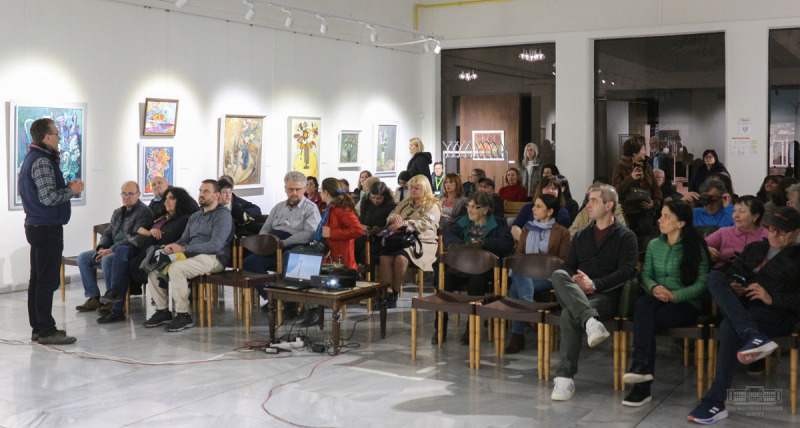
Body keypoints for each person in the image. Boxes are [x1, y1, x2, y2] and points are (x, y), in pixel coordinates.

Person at [688, 207, 800, 424]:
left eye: (781, 232)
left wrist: (771, 298)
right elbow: (734, 272)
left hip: (774, 313)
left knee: (729, 326)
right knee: (714, 278)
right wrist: (735, 285)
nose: (774, 235)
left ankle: (715, 401)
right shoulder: (755, 248)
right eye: (770, 229)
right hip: (740, 304)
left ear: (796, 232)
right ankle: (751, 334)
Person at [550, 184, 638, 401]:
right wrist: (574, 279)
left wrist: (594, 284)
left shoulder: (626, 236)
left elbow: (627, 271)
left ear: (609, 206)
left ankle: (564, 378)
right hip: (578, 293)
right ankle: (591, 322)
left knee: (569, 313)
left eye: (593, 201)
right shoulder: (581, 235)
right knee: (559, 274)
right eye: (588, 200)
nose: (587, 205)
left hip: (606, 295)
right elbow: (569, 266)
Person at [622, 201, 709, 407]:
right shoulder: (654, 245)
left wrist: (674, 296)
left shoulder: (695, 247)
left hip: (685, 304)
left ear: (681, 223)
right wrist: (653, 288)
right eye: (660, 215)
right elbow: (645, 275)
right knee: (643, 304)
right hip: (657, 299)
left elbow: (702, 284)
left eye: (666, 216)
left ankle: (641, 382)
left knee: (645, 322)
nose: (659, 220)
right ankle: (640, 370)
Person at [19, 117, 84, 344]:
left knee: (38, 279)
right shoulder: (42, 161)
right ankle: (46, 330)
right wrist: (71, 191)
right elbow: (47, 198)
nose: (59, 137)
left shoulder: (34, 158)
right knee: (46, 280)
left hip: (38, 225)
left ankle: (39, 328)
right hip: (46, 227)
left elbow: (43, 194)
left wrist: (65, 188)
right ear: (47, 137)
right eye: (56, 133)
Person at [143, 179, 234, 332]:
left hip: (214, 258)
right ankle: (162, 310)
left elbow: (216, 245)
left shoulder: (222, 215)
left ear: (216, 195)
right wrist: (172, 247)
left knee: (176, 268)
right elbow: (184, 239)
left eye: (206, 191)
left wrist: (184, 249)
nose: (201, 194)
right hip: (191, 256)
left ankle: (183, 314)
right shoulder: (195, 216)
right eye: (200, 191)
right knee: (154, 266)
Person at [440, 191, 514, 344]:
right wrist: (461, 244)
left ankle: (471, 329)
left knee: (477, 279)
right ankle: (440, 327)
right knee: (446, 278)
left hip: (486, 268)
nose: (469, 210)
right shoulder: (463, 220)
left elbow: (507, 243)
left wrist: (484, 243)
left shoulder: (498, 224)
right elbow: (448, 236)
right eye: (468, 206)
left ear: (485, 210)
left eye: (474, 207)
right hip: (463, 265)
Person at [75, 181, 154, 319]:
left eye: (130, 194)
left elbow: (133, 237)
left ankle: (111, 300)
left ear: (138, 194)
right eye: (124, 194)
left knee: (107, 259)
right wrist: (102, 247)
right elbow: (108, 232)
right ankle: (94, 297)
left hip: (129, 251)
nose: (126, 197)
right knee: (83, 258)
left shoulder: (144, 212)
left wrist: (110, 250)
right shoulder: (118, 212)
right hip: (110, 248)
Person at [505, 194, 571, 354]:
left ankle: (518, 334)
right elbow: (519, 255)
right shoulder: (527, 229)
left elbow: (563, 261)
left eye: (538, 206)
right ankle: (529, 310)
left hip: (548, 276)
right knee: (519, 273)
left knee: (515, 287)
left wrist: (541, 263)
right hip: (527, 275)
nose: (533, 209)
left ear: (550, 211)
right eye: (534, 205)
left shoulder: (562, 232)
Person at [380, 175, 441, 308]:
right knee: (385, 257)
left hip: (423, 241)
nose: (412, 190)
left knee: (401, 258)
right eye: (411, 188)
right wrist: (393, 218)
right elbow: (391, 215)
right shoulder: (405, 203)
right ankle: (387, 292)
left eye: (417, 188)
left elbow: (426, 223)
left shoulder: (432, 205)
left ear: (425, 189)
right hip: (402, 239)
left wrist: (407, 223)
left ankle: (394, 292)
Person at [128, 187, 197, 288]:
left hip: (164, 251)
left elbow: (169, 237)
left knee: (128, 260)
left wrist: (150, 234)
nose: (167, 202)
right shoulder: (162, 216)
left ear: (181, 201)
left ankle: (125, 289)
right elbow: (140, 229)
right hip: (145, 247)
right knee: (124, 257)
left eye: (171, 198)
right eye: (165, 199)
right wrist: (150, 232)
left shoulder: (184, 219)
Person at [612, 136, 662, 237]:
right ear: (634, 152)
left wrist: (654, 204)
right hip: (628, 216)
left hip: (646, 215)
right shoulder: (620, 167)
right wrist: (630, 178)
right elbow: (615, 192)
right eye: (643, 148)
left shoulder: (647, 166)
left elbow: (656, 189)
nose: (645, 151)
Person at [705, 196, 767, 270]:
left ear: (755, 216)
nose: (735, 216)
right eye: (734, 211)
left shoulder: (767, 236)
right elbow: (699, 245)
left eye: (741, 212)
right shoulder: (724, 232)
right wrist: (707, 250)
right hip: (723, 272)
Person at [314, 178, 363, 269]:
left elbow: (358, 230)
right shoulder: (331, 208)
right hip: (331, 256)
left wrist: (331, 233)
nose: (320, 193)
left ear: (326, 192)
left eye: (321, 190)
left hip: (341, 260)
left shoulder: (341, 209)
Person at [511, 175, 571, 240]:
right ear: (540, 190)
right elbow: (515, 227)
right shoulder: (528, 208)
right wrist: (527, 241)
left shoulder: (562, 212)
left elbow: (561, 234)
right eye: (547, 188)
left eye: (554, 189)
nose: (550, 191)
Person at [357, 181, 396, 278]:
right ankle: (354, 277)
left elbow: (389, 225)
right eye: (373, 197)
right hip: (365, 234)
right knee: (353, 248)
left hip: (381, 238)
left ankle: (368, 280)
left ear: (384, 197)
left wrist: (378, 229)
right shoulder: (366, 201)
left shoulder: (391, 205)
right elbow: (361, 218)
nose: (375, 201)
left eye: (379, 198)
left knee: (367, 253)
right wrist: (362, 226)